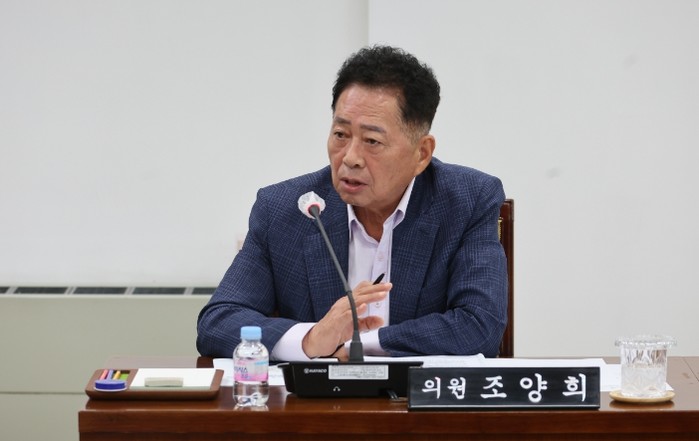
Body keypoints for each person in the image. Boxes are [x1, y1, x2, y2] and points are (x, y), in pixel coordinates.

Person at [197, 45, 508, 361]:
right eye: (341, 134)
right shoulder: (284, 209)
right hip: (318, 394)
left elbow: (479, 326)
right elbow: (218, 323)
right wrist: (311, 339)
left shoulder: (467, 201)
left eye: (372, 141)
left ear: (421, 153)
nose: (350, 158)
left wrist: (359, 344)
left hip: (415, 393)